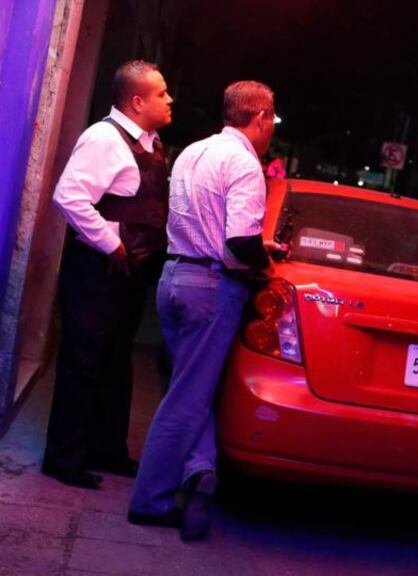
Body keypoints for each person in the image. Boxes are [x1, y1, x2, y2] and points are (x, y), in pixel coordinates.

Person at [128, 80, 277, 541]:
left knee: (188, 387)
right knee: (188, 400)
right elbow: (238, 241)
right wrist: (265, 264)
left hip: (173, 278)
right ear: (261, 118)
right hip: (211, 288)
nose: (271, 128)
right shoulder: (246, 164)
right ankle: (150, 501)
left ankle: (199, 470)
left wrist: (248, 246)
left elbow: (208, 221)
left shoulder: (194, 151)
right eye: (272, 119)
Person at [43, 60, 173, 489]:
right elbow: (70, 197)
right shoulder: (103, 139)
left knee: (116, 364)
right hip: (98, 270)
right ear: (138, 102)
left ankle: (106, 451)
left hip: (129, 272)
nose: (169, 100)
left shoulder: (151, 144)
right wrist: (111, 244)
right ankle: (64, 460)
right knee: (83, 364)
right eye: (161, 94)